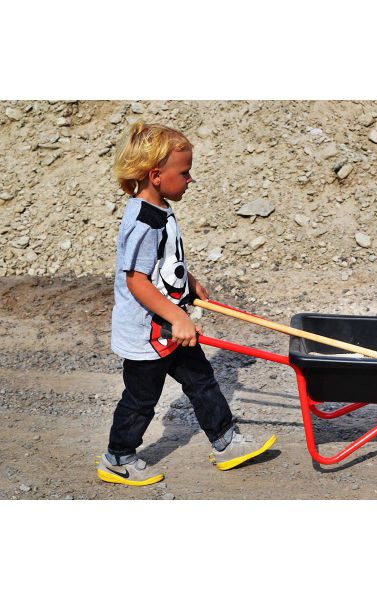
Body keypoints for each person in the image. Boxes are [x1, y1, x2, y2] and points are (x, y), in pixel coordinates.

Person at [97, 122, 276, 486]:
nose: (190, 179)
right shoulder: (143, 221)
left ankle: (226, 442)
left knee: (202, 380)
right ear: (156, 176)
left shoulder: (160, 208)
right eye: (184, 172)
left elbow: (162, 263)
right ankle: (117, 458)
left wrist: (187, 282)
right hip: (148, 333)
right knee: (141, 399)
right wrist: (178, 317)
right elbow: (136, 280)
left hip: (170, 326)